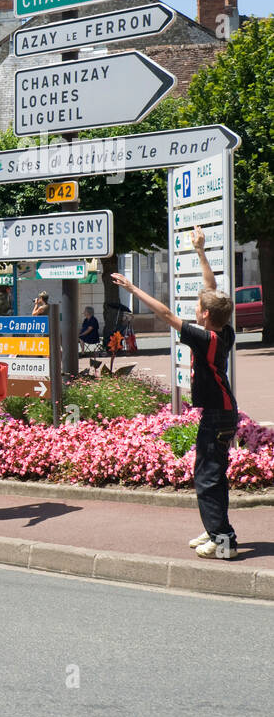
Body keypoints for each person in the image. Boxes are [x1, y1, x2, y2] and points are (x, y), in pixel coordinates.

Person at [112, 226, 239, 559]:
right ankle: (216, 528)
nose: (196, 308)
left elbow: (166, 314)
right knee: (213, 473)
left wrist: (131, 287)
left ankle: (224, 541)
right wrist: (200, 251)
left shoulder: (205, 337)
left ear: (205, 315)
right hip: (221, 411)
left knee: (208, 476)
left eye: (199, 307)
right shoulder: (225, 330)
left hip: (217, 414)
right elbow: (212, 289)